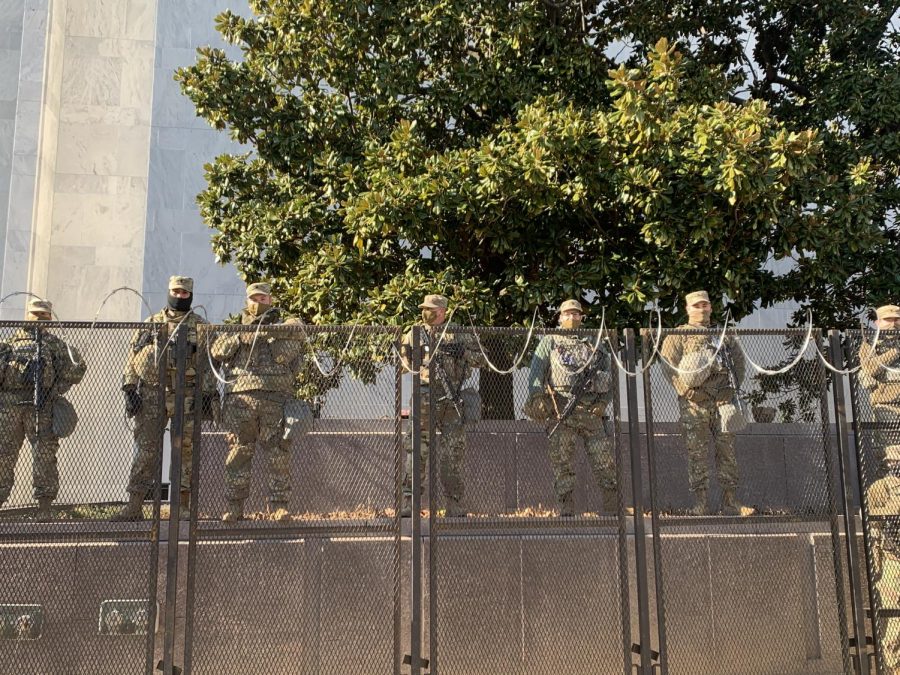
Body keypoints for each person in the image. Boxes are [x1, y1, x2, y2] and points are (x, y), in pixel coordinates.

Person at [114, 276, 212, 521]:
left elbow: (209, 364)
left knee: (185, 451)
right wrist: (129, 389)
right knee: (145, 450)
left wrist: (209, 394)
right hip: (152, 394)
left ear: (190, 295)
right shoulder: (152, 323)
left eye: (184, 293)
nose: (180, 296)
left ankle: (182, 507)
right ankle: (135, 505)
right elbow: (133, 358)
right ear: (169, 291)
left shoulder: (200, 326)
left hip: (187, 395)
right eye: (176, 291)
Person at [210, 282, 310, 522]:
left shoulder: (283, 329)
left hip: (275, 402)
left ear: (270, 301)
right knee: (239, 453)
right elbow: (216, 351)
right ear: (247, 301)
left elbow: (299, 336)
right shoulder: (234, 328)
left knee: (279, 454)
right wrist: (240, 336)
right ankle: (235, 508)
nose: (258, 303)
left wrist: (272, 333)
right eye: (254, 298)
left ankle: (279, 506)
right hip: (240, 402)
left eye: (263, 298)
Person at [659, 290, 749, 516]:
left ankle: (730, 502)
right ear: (688, 309)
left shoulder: (723, 335)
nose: (701, 309)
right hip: (694, 404)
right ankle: (700, 504)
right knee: (697, 453)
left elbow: (739, 363)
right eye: (697, 306)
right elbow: (668, 366)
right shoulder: (678, 335)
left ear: (711, 307)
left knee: (727, 452)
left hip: (722, 402)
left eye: (705, 305)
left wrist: (731, 390)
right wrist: (686, 391)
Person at [524, 299, 617, 516]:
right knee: (562, 464)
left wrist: (603, 403)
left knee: (604, 462)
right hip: (561, 410)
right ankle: (566, 511)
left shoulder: (594, 342)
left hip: (591, 411)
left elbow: (610, 377)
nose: (572, 318)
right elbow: (536, 374)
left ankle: (613, 511)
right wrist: (537, 397)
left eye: (576, 314)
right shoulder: (550, 341)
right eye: (568, 314)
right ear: (560, 317)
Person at [0, 298, 85, 519]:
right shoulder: (9, 343)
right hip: (9, 406)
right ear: (27, 315)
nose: (39, 318)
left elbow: (78, 368)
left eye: (43, 315)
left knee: (44, 455)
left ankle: (45, 507)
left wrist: (56, 388)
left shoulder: (54, 344)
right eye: (35, 314)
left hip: (41, 405)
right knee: (4, 455)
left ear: (49, 317)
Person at [401, 294, 484, 517]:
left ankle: (454, 504)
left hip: (453, 397)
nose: (425, 312)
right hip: (425, 395)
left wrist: (462, 352)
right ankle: (409, 502)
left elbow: (481, 359)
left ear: (442, 312)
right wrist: (417, 357)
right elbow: (403, 362)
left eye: (430, 308)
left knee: (452, 454)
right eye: (424, 308)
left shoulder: (458, 332)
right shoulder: (415, 332)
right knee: (416, 451)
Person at [866, 443, 900, 672]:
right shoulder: (880, 489)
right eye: (891, 462)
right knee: (895, 621)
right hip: (893, 560)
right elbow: (875, 529)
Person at [860, 304, 900, 480]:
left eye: (896, 320)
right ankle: (889, 495)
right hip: (886, 403)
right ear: (877, 322)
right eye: (888, 320)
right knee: (890, 455)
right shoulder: (870, 342)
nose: (893, 324)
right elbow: (871, 367)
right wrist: (894, 352)